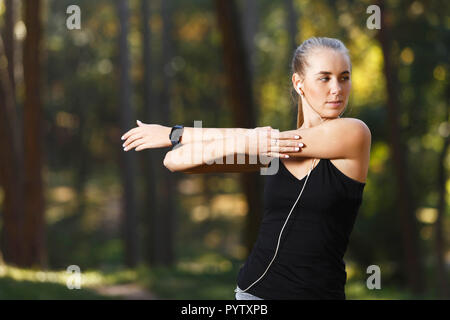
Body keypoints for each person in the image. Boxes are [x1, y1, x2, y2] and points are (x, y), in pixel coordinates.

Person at [121, 37, 371, 300]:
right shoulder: (270, 150)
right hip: (254, 294)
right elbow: (175, 161)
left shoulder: (353, 133)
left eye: (344, 77)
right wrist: (180, 136)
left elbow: (269, 139)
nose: (337, 89)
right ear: (299, 83)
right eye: (325, 78)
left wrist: (177, 133)